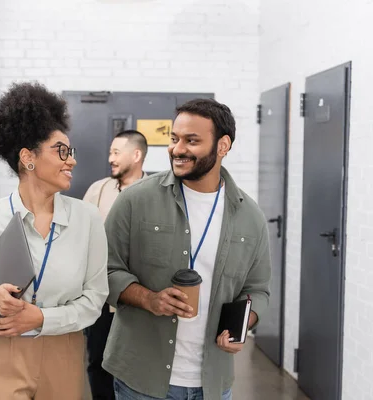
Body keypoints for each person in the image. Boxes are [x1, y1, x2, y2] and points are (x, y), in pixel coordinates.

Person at [0, 82, 109, 400]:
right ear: (28, 158)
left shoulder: (87, 219)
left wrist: (42, 318)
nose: (71, 160)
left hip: (63, 352)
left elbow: (95, 301)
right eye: (61, 151)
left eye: (70, 152)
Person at [102, 98, 272, 400]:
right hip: (142, 380)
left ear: (223, 146)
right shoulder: (134, 201)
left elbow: (258, 290)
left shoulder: (250, 216)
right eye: (174, 139)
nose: (178, 149)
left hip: (213, 382)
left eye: (191, 141)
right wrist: (149, 299)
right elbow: (105, 270)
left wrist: (242, 325)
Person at [83, 129, 148, 400]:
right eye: (110, 152)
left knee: (135, 366)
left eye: (116, 152)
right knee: (98, 361)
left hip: (138, 298)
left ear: (137, 155)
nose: (110, 158)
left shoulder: (154, 193)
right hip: (101, 295)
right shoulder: (98, 190)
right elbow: (80, 234)